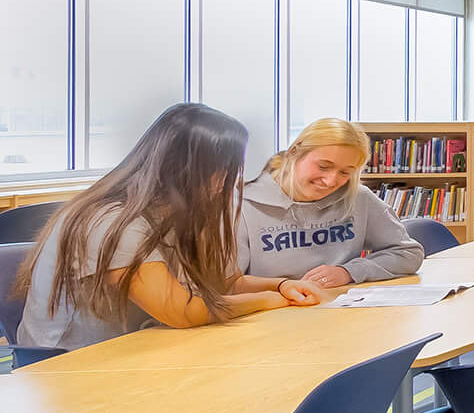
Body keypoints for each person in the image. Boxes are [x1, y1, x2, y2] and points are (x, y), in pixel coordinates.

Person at [14, 103, 324, 356]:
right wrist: (272, 301)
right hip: (69, 365)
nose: (226, 182)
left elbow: (224, 283)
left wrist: (281, 286)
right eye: (224, 171)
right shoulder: (111, 220)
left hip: (139, 348)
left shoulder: (176, 211)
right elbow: (181, 311)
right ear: (188, 170)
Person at [236, 117, 423, 290]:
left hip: (341, 307)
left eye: (345, 172)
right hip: (270, 310)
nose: (331, 181)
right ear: (294, 153)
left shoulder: (359, 198)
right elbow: (225, 283)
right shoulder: (240, 204)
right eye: (323, 167)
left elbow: (408, 253)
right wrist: (283, 287)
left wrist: (349, 272)